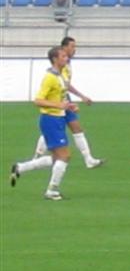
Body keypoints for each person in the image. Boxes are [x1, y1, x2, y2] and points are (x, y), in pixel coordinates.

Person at [10, 47, 77, 200]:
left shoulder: (60, 74)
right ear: (55, 59)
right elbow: (38, 100)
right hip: (51, 120)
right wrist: (59, 106)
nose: (66, 58)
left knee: (56, 158)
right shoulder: (50, 77)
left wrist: (68, 105)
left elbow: (58, 97)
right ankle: (52, 190)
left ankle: (21, 167)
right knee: (65, 156)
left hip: (57, 119)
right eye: (63, 56)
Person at [33, 37, 104, 169]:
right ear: (64, 48)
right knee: (52, 130)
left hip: (65, 100)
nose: (74, 49)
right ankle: (36, 158)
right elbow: (58, 87)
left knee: (76, 128)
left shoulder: (67, 65)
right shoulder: (60, 68)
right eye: (71, 46)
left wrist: (81, 96)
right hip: (60, 102)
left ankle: (88, 159)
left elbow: (66, 85)